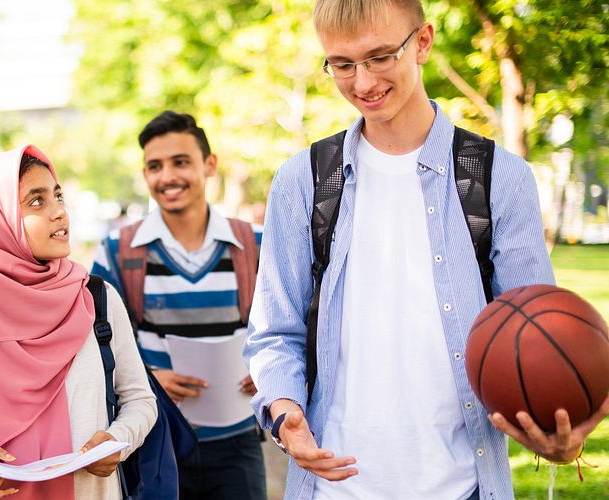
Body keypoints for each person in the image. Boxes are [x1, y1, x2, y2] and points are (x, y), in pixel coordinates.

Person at [242, 1, 609, 499]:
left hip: (463, 487)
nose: (363, 83)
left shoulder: (500, 178)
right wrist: (285, 415)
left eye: (379, 57)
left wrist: (557, 428)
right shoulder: (301, 181)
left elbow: (536, 332)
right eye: (343, 65)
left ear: (422, 42)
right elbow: (274, 331)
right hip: (333, 490)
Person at [0, 146, 157, 500]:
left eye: (58, 196)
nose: (59, 212)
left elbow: (140, 399)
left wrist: (119, 441)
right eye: (36, 202)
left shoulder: (95, 299)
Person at [91, 111, 266, 500]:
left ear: (209, 165)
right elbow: (94, 343)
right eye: (155, 166)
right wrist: (150, 376)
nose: (167, 176)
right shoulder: (118, 251)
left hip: (238, 442)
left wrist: (272, 369)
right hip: (155, 444)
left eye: (181, 162)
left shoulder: (256, 244)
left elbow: (291, 327)